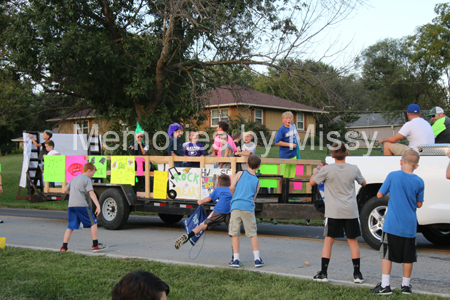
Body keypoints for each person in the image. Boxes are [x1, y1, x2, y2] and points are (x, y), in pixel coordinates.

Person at [310, 142, 366, 283]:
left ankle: (324, 272)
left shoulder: (327, 170)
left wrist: (316, 172)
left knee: (329, 241)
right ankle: (357, 274)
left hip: (334, 211)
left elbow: (312, 183)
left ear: (332, 155)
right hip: (350, 211)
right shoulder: (353, 169)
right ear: (347, 154)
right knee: (353, 242)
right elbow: (363, 183)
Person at [371, 150, 424, 295]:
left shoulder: (392, 176)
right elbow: (419, 204)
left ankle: (385, 285)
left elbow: (379, 194)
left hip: (392, 224)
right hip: (410, 225)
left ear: (401, 162)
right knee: (408, 256)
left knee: (387, 254)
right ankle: (406, 286)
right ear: (416, 166)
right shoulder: (419, 181)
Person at [174, 174, 232, 249]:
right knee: (233, 234)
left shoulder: (218, 189)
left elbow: (208, 199)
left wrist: (200, 201)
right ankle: (234, 256)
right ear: (230, 184)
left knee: (204, 225)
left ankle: (188, 235)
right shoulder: (232, 189)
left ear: (218, 184)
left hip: (219, 210)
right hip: (230, 211)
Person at [60, 163, 107, 252]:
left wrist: (74, 194)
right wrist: (98, 205)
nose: (93, 175)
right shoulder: (87, 179)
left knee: (70, 226)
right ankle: (95, 245)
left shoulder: (74, 179)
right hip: (81, 205)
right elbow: (91, 193)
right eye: (93, 172)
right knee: (93, 223)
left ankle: (64, 247)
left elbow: (65, 190)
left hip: (71, 206)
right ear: (88, 170)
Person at [228, 154, 263, 268]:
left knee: (234, 233)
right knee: (252, 233)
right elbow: (254, 197)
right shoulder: (258, 182)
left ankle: (236, 259)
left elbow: (231, 187)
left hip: (236, 205)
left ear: (247, 164)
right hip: (248, 207)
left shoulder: (240, 174)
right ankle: (257, 259)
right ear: (259, 166)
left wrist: (235, 197)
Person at [275, 111, 299, 193]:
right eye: (286, 118)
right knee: (283, 177)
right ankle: (282, 194)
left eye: (290, 118)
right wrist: (290, 145)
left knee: (292, 176)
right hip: (284, 156)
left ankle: (291, 195)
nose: (289, 120)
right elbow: (277, 142)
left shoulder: (293, 127)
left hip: (293, 155)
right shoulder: (282, 129)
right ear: (283, 120)